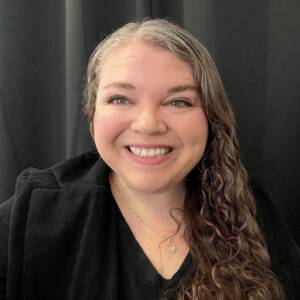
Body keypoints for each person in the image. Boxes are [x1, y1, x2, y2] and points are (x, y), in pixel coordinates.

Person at [0, 19, 299, 300]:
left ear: (211, 117)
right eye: (120, 99)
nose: (148, 124)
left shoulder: (253, 209)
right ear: (92, 116)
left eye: (178, 101)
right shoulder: (31, 216)